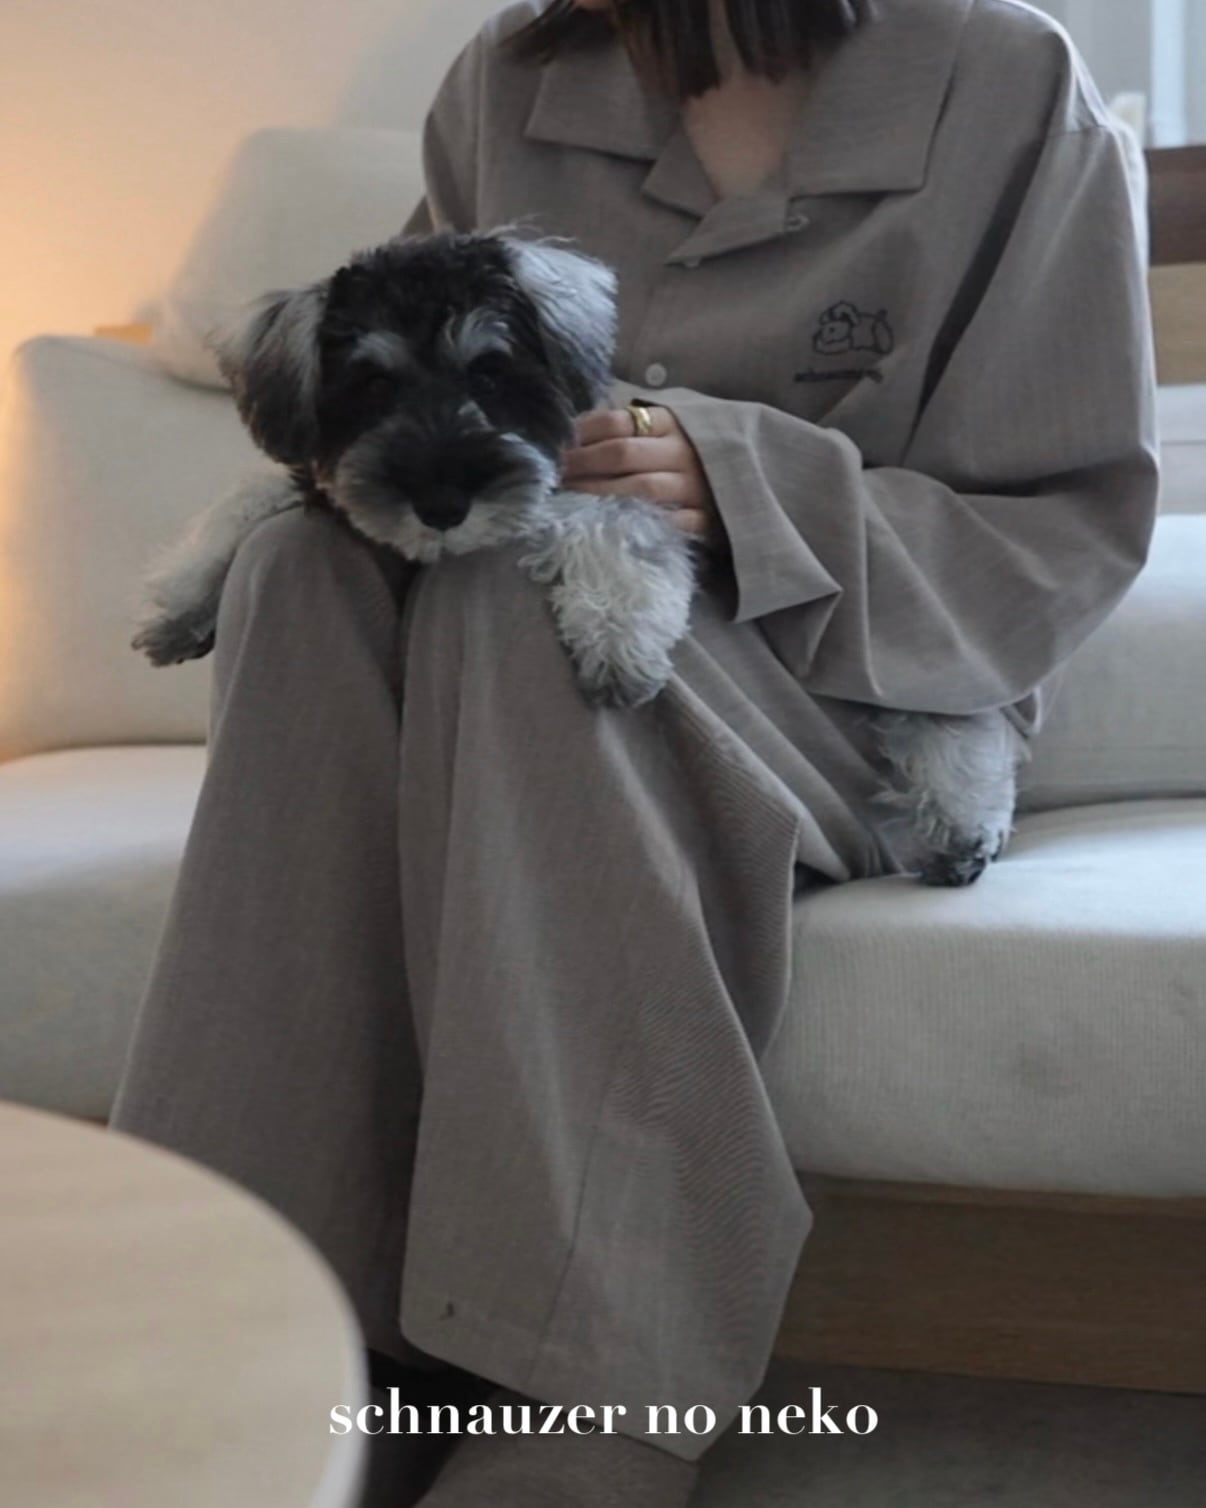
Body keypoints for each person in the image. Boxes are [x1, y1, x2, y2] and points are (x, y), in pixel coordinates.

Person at [109, 0, 1158, 1504]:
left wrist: (739, 479)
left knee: (524, 597)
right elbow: (390, 416)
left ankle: (585, 1384)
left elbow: (1054, 530)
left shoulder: (1005, 78)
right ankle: (256, 1340)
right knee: (298, 567)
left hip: (851, 679)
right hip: (490, 660)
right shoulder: (506, 81)